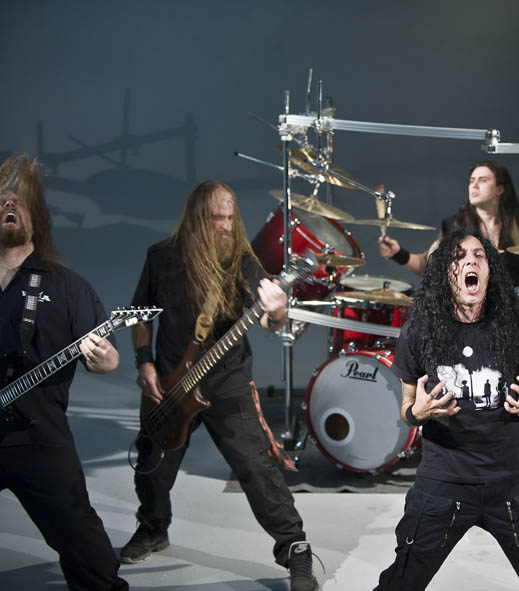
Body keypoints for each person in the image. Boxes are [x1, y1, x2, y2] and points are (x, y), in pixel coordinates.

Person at [122, 180, 318, 591]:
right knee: (152, 465)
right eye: (216, 218)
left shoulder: (242, 261)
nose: (226, 226)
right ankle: (153, 527)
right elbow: (140, 314)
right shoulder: (162, 258)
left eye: (230, 218)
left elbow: (269, 321)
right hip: (171, 386)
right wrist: (144, 363)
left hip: (227, 384)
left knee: (258, 469)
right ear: (196, 218)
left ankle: (294, 547)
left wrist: (277, 311)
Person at [374, 230, 519, 590]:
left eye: (479, 256)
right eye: (459, 256)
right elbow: (406, 407)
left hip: (510, 476)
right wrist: (417, 413)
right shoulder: (419, 330)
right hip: (444, 477)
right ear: (445, 272)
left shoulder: (516, 327)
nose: (471, 261)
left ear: (489, 270)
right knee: (401, 583)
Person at [0, 154, 128, 590]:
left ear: (36, 220)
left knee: (85, 547)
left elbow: (108, 359)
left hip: (40, 436)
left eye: (17, 202)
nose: (8, 206)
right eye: (0, 201)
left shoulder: (67, 287)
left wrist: (104, 359)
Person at [378, 160, 519, 286]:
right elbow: (425, 265)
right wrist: (398, 253)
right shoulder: (455, 224)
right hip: (469, 313)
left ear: (500, 189)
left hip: (513, 310)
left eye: (483, 180)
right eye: (472, 181)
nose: (474, 185)